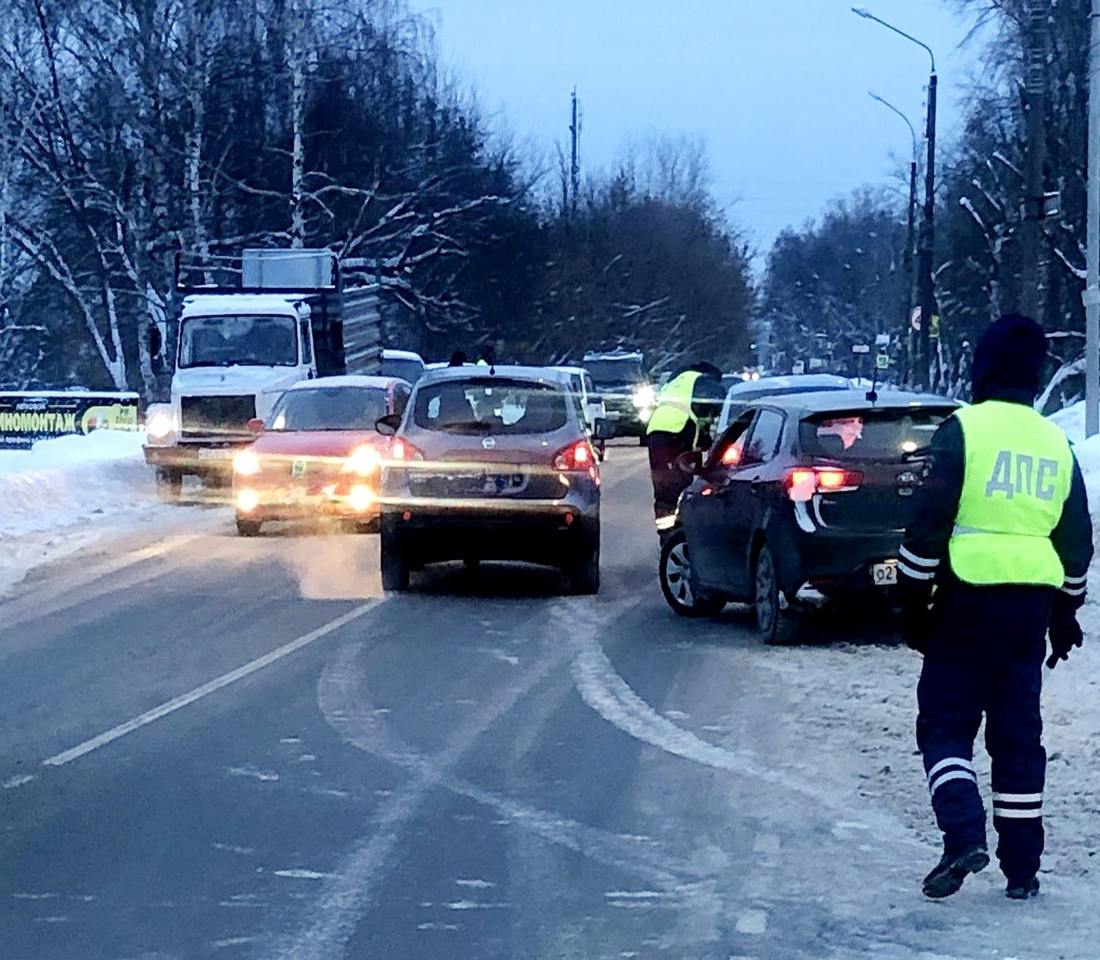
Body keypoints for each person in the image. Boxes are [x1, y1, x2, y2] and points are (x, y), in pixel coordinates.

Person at [899, 314, 1093, 901]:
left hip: (964, 605)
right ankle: (1023, 870)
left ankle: (962, 834)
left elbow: (928, 526)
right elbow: (1076, 540)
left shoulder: (963, 430)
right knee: (1017, 740)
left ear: (982, 370)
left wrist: (912, 602)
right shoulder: (1053, 442)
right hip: (1028, 616)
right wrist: (1067, 611)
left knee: (944, 724)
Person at [645, 361, 725, 539]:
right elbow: (709, 407)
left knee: (663, 486)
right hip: (677, 432)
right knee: (682, 484)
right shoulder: (704, 380)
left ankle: (667, 534)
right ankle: (681, 530)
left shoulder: (677, 379)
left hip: (657, 432)